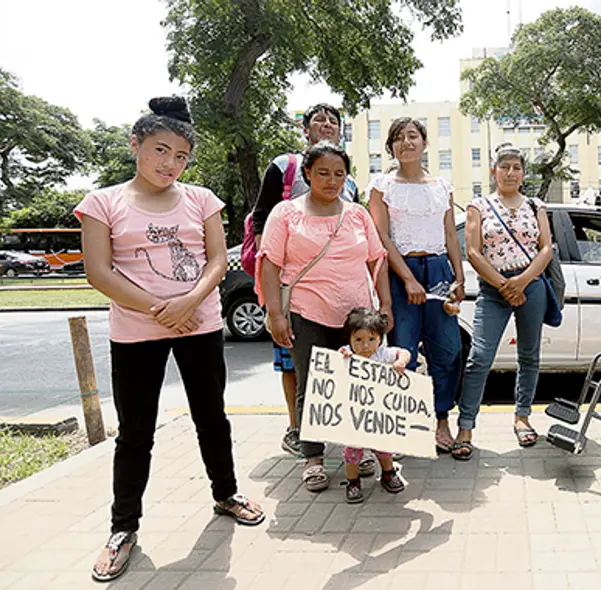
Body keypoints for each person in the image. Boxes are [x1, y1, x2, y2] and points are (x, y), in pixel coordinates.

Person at [77, 97, 265, 583]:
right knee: (136, 431)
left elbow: (218, 263)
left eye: (181, 157)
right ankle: (123, 528)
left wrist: (188, 304)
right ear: (135, 145)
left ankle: (226, 494)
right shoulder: (102, 202)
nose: (171, 164)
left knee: (211, 417)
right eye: (161, 151)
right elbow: (99, 271)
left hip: (198, 325)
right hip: (136, 331)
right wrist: (159, 309)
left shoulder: (202, 199)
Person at [257, 141, 391, 493]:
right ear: (307, 174)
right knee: (312, 386)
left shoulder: (358, 214)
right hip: (306, 312)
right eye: (323, 173)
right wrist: (275, 314)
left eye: (339, 174)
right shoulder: (285, 214)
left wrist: (385, 306)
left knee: (359, 385)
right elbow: (269, 264)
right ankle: (313, 457)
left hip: (357, 318)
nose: (331, 181)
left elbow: (377, 261)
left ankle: (357, 449)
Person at [251, 103, 360, 465]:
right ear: (305, 129)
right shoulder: (285, 167)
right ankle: (298, 431)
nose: (327, 125)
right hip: (295, 287)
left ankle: (347, 441)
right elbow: (263, 220)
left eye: (333, 121)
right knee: (295, 366)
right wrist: (275, 302)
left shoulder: (353, 185)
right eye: (319, 120)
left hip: (342, 293)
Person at [368, 117, 465, 454]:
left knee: (447, 351)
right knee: (401, 352)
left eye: (412, 136)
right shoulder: (381, 186)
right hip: (399, 271)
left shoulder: (442, 186)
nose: (405, 142)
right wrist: (407, 278)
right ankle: (398, 427)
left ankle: (441, 421)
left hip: (438, 269)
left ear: (425, 143)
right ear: (391, 147)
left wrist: (459, 276)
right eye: (398, 138)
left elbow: (451, 234)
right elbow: (380, 236)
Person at [453, 143, 554, 459]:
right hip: (493, 289)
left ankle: (522, 417)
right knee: (480, 357)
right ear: (493, 171)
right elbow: (472, 251)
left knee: (529, 355)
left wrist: (522, 281)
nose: (511, 173)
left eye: (517, 167)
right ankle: (466, 426)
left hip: (531, 285)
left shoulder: (536, 205)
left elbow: (546, 248)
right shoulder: (478, 206)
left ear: (523, 173)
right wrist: (504, 284)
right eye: (505, 166)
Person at [338, 307, 410, 502]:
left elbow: (404, 352)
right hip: (354, 418)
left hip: (379, 416)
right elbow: (334, 365)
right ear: (350, 339)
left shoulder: (383, 354)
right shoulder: (347, 355)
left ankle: (388, 473)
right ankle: (353, 481)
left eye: (371, 339)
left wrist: (401, 362)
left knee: (384, 449)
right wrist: (343, 356)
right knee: (352, 452)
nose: (365, 346)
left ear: (380, 339)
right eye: (358, 340)